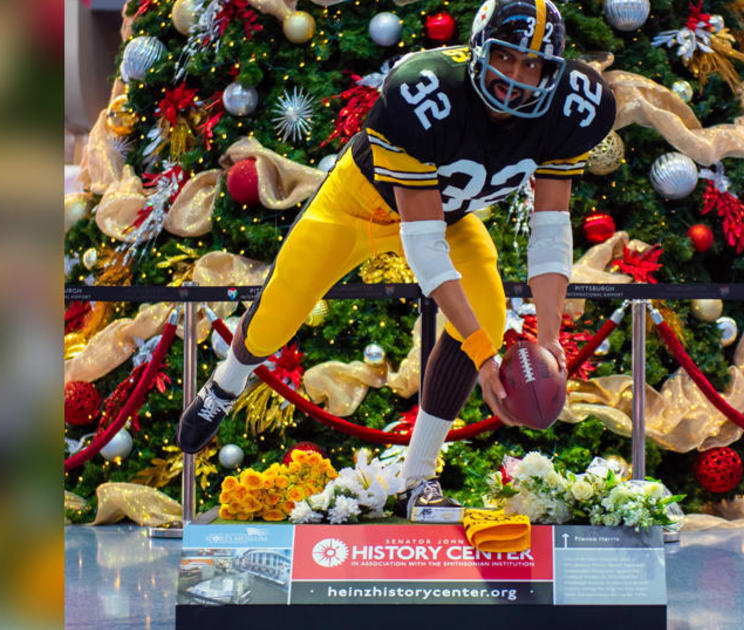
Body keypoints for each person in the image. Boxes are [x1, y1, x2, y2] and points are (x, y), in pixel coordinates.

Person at [176, 0, 616, 517]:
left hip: (448, 215)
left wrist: (546, 339)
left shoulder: (571, 107)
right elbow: (422, 244)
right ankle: (225, 385)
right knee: (280, 311)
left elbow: (550, 227)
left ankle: (417, 478)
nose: (517, 76)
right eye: (506, 57)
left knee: (490, 314)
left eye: (533, 64)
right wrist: (481, 354)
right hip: (359, 204)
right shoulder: (425, 91)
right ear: (479, 50)